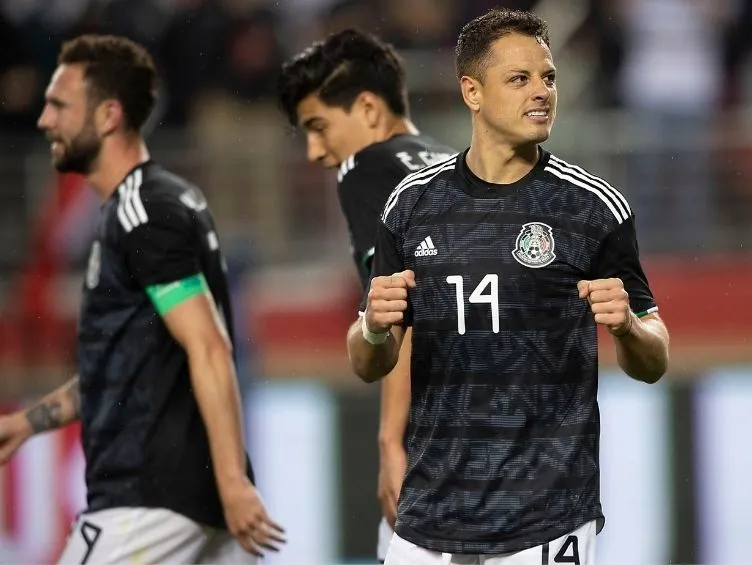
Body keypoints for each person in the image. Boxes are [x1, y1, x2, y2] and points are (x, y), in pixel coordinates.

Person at [347, 8, 670, 565]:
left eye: (548, 77)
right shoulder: (411, 205)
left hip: (545, 520)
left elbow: (654, 360)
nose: (542, 92)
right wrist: (373, 327)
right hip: (429, 517)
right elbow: (367, 362)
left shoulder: (592, 208)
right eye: (519, 79)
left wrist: (629, 328)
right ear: (472, 91)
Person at [0, 34, 284, 564]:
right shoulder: (151, 205)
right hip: (188, 505)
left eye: (59, 105)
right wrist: (27, 423)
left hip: (148, 504)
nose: (44, 120)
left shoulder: (144, 211)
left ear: (108, 115)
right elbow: (127, 367)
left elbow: (209, 345)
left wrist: (232, 482)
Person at [277, 28, 455, 563]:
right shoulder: (456, 164)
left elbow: (402, 307)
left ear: (369, 109)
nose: (315, 151)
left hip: (435, 449)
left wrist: (390, 442)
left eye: (318, 127)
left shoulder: (367, 168)